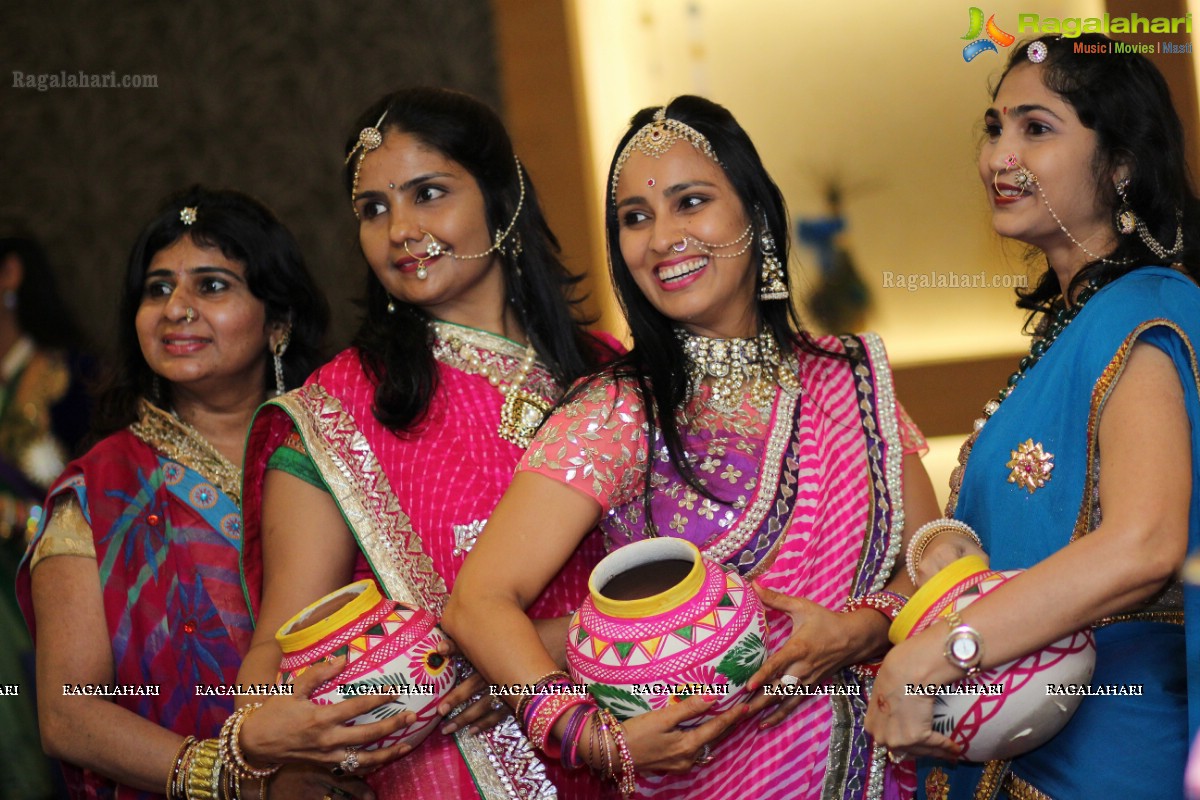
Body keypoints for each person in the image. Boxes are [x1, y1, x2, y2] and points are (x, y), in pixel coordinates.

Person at [443, 95, 939, 800]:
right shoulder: (617, 411)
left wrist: (858, 629)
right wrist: (589, 737)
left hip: (881, 764)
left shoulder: (847, 382)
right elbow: (478, 603)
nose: (662, 236)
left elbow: (932, 564)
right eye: (636, 219)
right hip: (706, 778)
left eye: (691, 202)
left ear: (757, 218)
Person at [236, 88, 617, 799]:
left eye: (429, 193)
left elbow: (699, 581)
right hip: (446, 769)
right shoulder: (333, 413)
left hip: (643, 748)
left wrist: (518, 647)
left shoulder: (611, 377)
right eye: (373, 210)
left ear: (502, 200)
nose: (401, 229)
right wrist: (265, 727)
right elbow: (277, 656)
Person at [865, 34, 1200, 799]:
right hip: (1027, 755)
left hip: (1109, 758)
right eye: (994, 128)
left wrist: (951, 651)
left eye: (1036, 128)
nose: (998, 156)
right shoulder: (1072, 330)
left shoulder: (1142, 311)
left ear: (1120, 164)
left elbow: (1145, 543)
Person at [16, 187, 410, 800]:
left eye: (212, 285)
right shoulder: (96, 494)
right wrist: (238, 778)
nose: (176, 308)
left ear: (277, 321)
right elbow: (69, 715)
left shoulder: (352, 453)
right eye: (157, 288)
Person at [0, 222, 96, 799]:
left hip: (47, 597)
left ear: (9, 274)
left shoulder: (76, 383)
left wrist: (14, 520)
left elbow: (106, 520)